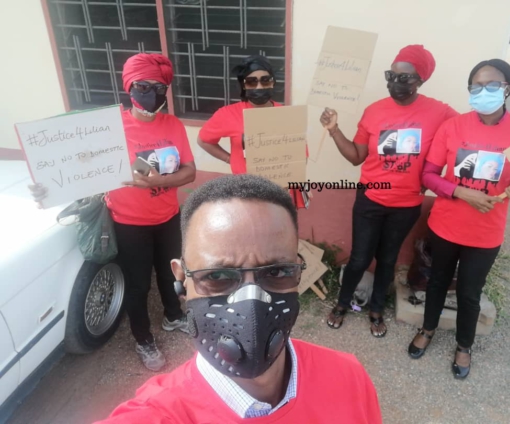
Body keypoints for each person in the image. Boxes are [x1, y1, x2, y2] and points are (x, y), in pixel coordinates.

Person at [94, 174, 382, 424]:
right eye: (218, 276)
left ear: (297, 272)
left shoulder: (349, 378)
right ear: (181, 280)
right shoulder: (156, 414)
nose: (251, 301)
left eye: (276, 271)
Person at [29, 53, 197, 372]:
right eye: (143, 86)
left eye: (159, 87)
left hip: (167, 217)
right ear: (129, 87)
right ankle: (143, 338)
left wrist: (157, 181)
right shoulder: (107, 128)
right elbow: (72, 167)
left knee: (170, 273)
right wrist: (47, 186)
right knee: (137, 285)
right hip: (128, 223)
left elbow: (189, 172)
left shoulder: (173, 125)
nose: (152, 94)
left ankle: (174, 316)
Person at [320, 45, 458, 337]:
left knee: (387, 259)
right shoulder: (374, 111)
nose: (395, 82)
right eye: (391, 75)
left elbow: (465, 135)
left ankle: (377, 309)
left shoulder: (439, 112)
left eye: (404, 78)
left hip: (406, 205)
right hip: (370, 199)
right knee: (360, 258)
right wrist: (334, 130)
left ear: (420, 80)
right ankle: (342, 304)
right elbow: (356, 156)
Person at [407, 59, 510, 379]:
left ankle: (464, 345)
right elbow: (429, 175)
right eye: (476, 85)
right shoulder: (453, 127)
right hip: (445, 225)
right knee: (437, 282)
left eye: (492, 85)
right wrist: (461, 192)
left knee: (469, 292)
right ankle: (428, 328)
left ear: (507, 88)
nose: (483, 91)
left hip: (486, 233)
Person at [197, 55, 309, 209]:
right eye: (252, 81)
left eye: (265, 80)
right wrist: (230, 159)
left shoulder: (286, 115)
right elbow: (204, 140)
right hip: (247, 195)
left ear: (273, 82)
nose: (259, 87)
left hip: (280, 195)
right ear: (243, 85)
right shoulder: (228, 114)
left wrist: (292, 177)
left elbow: (301, 155)